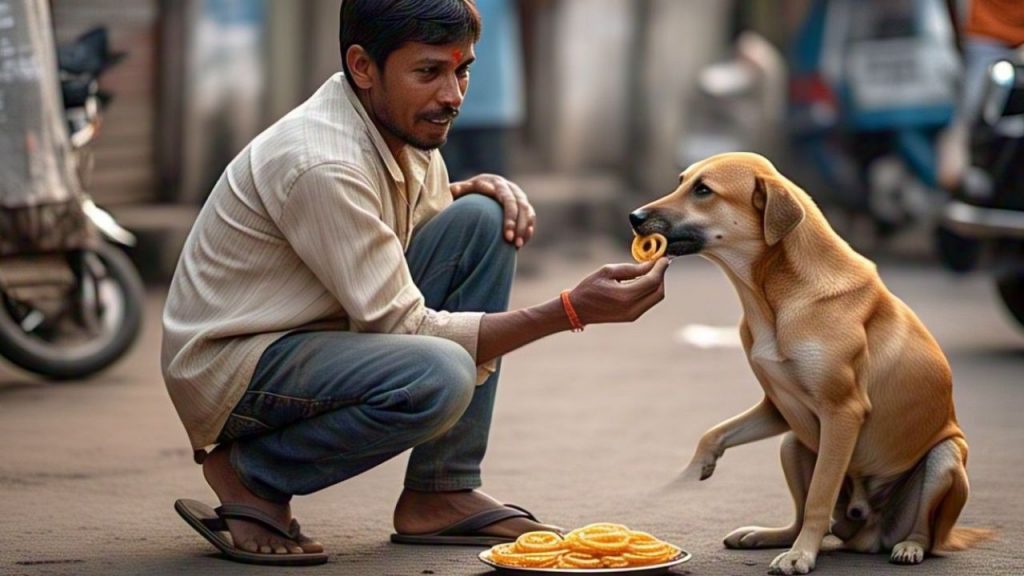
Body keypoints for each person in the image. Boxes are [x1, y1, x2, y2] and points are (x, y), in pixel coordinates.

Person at [162, 0, 670, 566]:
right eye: (429, 72)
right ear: (363, 66)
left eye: (463, 70)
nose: (453, 95)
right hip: (238, 367)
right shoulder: (320, 162)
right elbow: (405, 325)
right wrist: (570, 310)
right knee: (439, 373)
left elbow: (401, 233)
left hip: (317, 335)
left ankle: (441, 489)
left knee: (481, 219)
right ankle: (250, 477)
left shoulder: (400, 125)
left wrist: (466, 190)